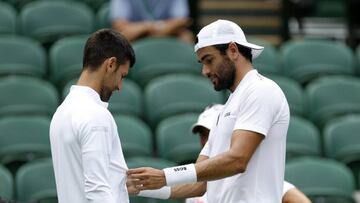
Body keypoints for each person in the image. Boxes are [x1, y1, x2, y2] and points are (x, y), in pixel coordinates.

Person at [127, 19, 290, 203]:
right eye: (202, 62)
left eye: (209, 60)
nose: (204, 71)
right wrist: (140, 187)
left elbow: (238, 159)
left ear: (233, 50)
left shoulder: (261, 90)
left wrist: (165, 175)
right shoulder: (224, 110)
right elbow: (199, 184)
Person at [50, 29, 136, 203]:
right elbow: (97, 190)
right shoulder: (95, 114)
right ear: (111, 64)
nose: (120, 86)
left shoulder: (61, 112)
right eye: (122, 76)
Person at [186, 104, 311, 203]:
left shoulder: (256, 178)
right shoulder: (194, 188)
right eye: (203, 134)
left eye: (213, 133)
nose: (207, 140)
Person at [110, 0, 194, 43]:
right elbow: (119, 25)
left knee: (186, 36)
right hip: (137, 36)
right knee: (122, 37)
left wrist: (148, 28)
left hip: (168, 33)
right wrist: (152, 27)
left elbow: (182, 21)